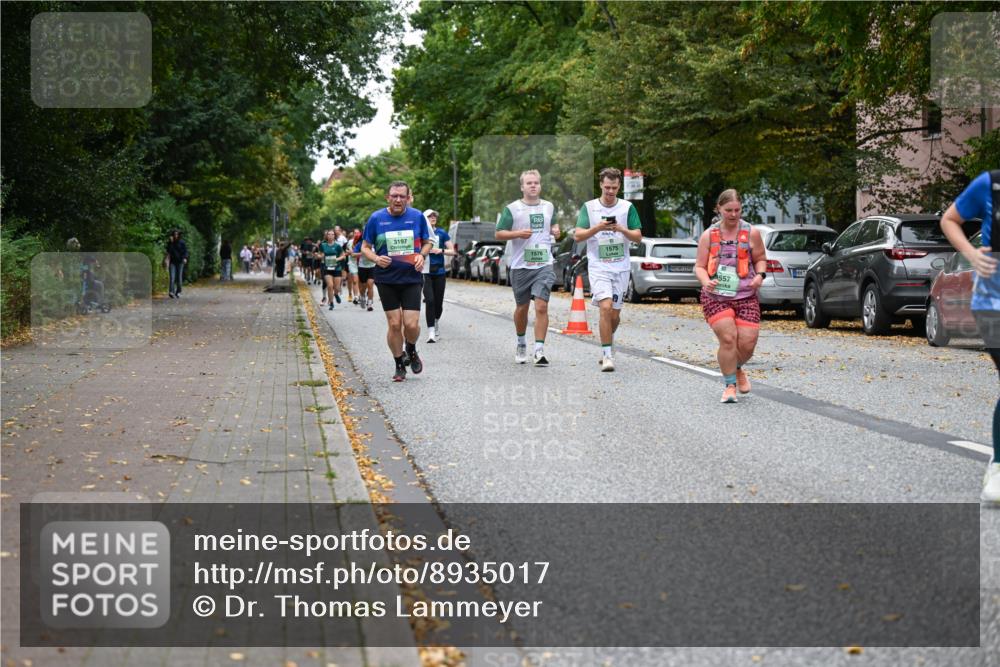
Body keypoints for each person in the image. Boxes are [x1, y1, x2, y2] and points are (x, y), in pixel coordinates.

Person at [940, 169, 1000, 503]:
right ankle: (999, 465)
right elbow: (950, 220)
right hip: (993, 303)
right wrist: (973, 254)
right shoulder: (990, 184)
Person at [693, 189, 768, 403]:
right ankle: (729, 386)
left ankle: (735, 368)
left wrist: (760, 275)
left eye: (737, 210)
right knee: (728, 339)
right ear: (719, 209)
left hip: (746, 295)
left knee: (747, 344)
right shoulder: (709, 235)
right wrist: (706, 281)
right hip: (716, 296)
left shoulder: (751, 232)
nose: (733, 214)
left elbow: (761, 258)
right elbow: (699, 266)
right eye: (728, 210)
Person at [574, 167, 643, 371]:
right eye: (607, 187)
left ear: (619, 186)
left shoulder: (627, 207)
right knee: (605, 308)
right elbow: (578, 236)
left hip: (620, 267)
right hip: (598, 266)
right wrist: (597, 228)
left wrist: (622, 229)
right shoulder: (589, 207)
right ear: (601, 186)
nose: (610, 191)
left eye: (614, 187)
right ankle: (606, 356)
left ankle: (608, 341)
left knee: (614, 314)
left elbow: (638, 236)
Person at [361, 181, 430, 382]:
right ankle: (399, 363)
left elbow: (427, 243)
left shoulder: (417, 217)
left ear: (408, 198)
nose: (398, 200)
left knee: (411, 324)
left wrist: (421, 256)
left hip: (411, 278)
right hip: (386, 279)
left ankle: (411, 348)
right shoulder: (376, 218)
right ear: (387, 197)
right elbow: (365, 247)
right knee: (394, 324)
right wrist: (375, 258)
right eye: (394, 196)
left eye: (402, 196)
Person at [495, 171, 561, 364]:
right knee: (522, 308)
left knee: (541, 306)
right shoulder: (512, 209)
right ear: (522, 187)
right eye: (529, 183)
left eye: (536, 183)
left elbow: (555, 228)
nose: (533, 186)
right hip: (521, 266)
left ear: (540, 186)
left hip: (544, 263)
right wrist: (517, 233)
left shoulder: (548, 207)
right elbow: (499, 234)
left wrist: (556, 230)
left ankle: (539, 350)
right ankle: (521, 341)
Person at [422, 209, 455, 342]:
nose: (433, 217)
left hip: (439, 272)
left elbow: (453, 251)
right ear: (425, 219)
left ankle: (435, 322)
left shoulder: (441, 233)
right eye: (430, 216)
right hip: (425, 272)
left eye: (435, 215)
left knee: (438, 303)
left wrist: (440, 250)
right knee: (429, 301)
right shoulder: (421, 233)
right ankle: (431, 332)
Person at [318, 229, 344, 311]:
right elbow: (321, 255)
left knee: (336, 287)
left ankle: (336, 294)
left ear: (334, 236)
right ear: (327, 236)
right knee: (330, 285)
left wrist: (337, 259)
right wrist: (318, 256)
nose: (330, 236)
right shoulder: (323, 245)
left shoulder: (337, 246)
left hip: (337, 268)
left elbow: (343, 256)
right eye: (329, 234)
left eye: (332, 234)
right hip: (327, 268)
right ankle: (331, 303)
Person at [354, 231, 376, 311]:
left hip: (372, 267)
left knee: (370, 284)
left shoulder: (375, 243)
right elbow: (353, 254)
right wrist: (364, 253)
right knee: (363, 287)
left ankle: (369, 303)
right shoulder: (360, 244)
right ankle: (362, 296)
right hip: (362, 267)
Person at [166, 229, 189, 298]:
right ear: (172, 235)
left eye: (177, 234)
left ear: (179, 235)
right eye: (174, 234)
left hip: (180, 262)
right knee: (172, 277)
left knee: (179, 278)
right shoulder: (170, 243)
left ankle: (178, 292)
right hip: (172, 262)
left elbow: (185, 252)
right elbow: (168, 251)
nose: (175, 235)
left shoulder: (182, 242)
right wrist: (171, 242)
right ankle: (171, 292)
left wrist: (185, 258)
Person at [347, 229, 361, 304]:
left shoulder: (362, 242)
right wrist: (349, 252)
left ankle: (361, 295)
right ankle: (356, 296)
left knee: (361, 281)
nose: (356, 234)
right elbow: (347, 251)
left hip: (361, 263)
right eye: (355, 233)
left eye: (357, 233)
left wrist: (354, 253)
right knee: (355, 280)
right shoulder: (350, 242)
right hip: (353, 263)